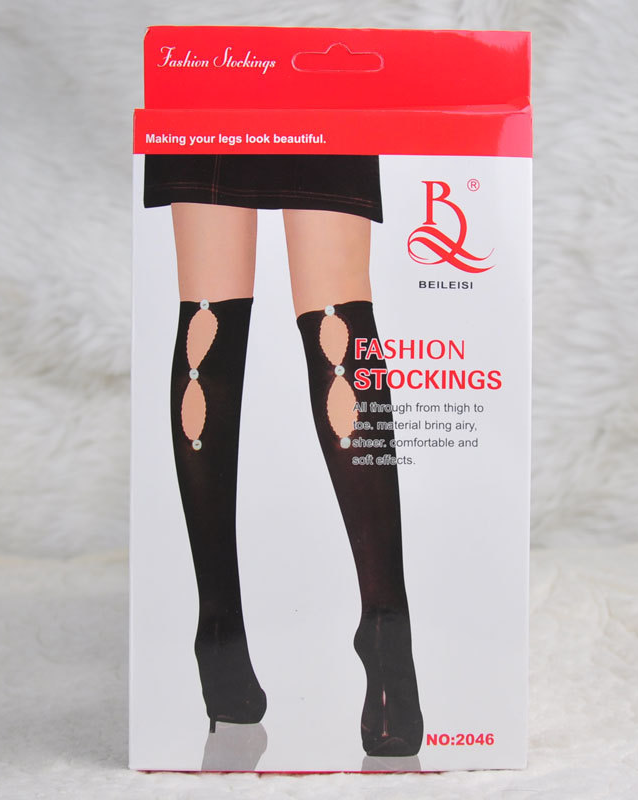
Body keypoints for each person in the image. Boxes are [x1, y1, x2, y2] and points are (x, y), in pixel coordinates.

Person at [146, 154, 423, 757]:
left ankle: (218, 631)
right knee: (331, 312)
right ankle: (386, 628)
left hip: (217, 87)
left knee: (209, 314)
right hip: (286, 95)